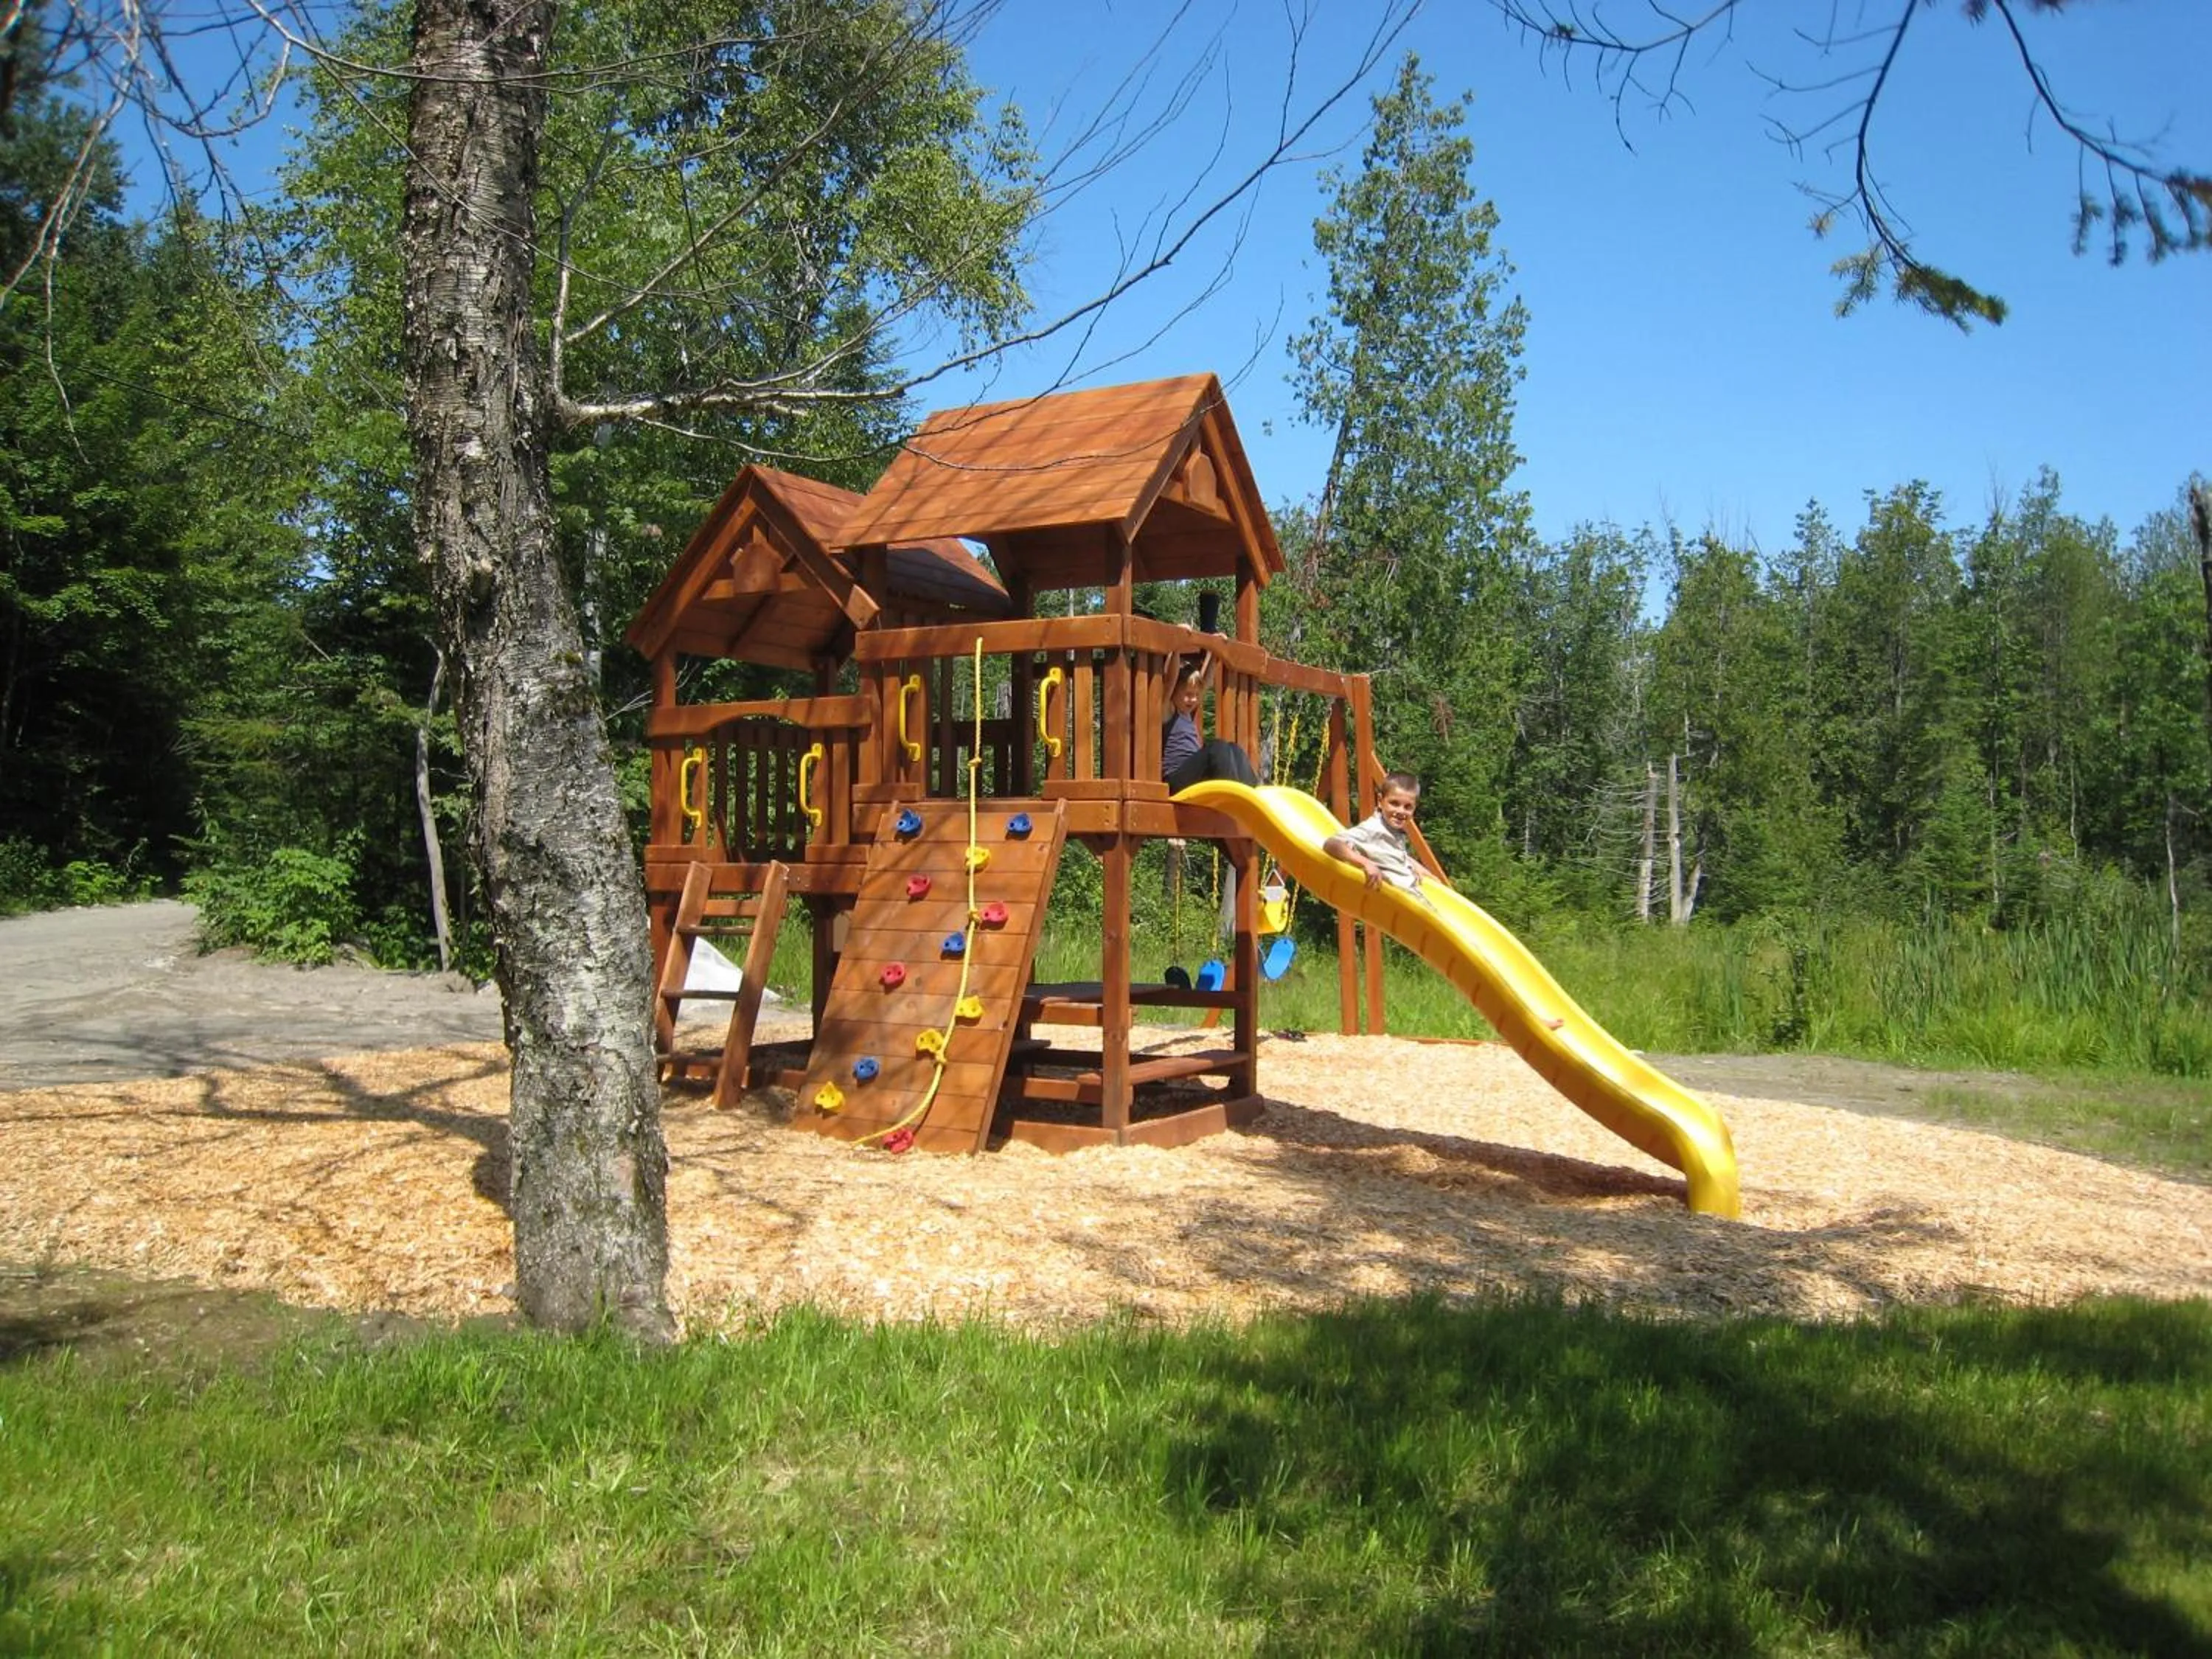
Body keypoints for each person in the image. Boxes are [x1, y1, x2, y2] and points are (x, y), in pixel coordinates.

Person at [1324, 771, 1432, 900]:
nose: (1401, 811)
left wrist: (1413, 865)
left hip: (1414, 897)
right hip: (1400, 903)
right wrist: (1366, 864)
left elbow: (1388, 852)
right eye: (1394, 803)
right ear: (1380, 801)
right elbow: (1331, 844)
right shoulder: (1373, 829)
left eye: (1408, 807)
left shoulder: (1393, 830)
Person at [1161, 658, 1258, 792]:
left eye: (1196, 695)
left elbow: (1206, 682)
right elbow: (1170, 680)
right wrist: (1177, 648)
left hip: (1195, 775)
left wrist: (1215, 654)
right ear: (1174, 692)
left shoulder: (1189, 713)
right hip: (1176, 779)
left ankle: (1251, 791)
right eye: (1188, 694)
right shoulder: (1169, 711)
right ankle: (1231, 794)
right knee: (1218, 748)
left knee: (1235, 749)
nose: (1194, 699)